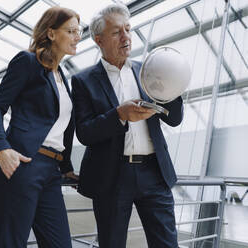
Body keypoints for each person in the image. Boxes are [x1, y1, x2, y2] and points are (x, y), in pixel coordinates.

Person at [72, 4, 183, 248]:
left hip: (154, 173)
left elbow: (174, 119)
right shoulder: (83, 81)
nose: (126, 37)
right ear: (99, 40)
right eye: (116, 32)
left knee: (167, 244)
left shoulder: (150, 70)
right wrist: (119, 115)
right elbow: (84, 132)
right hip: (111, 176)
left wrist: (174, 84)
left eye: (128, 29)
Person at [0, 6, 81, 248]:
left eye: (78, 32)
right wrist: (1, 148)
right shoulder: (28, 62)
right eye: (70, 31)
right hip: (24, 165)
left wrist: (66, 167)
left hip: (51, 171)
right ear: (51, 33)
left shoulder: (62, 76)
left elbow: (60, 127)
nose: (77, 37)